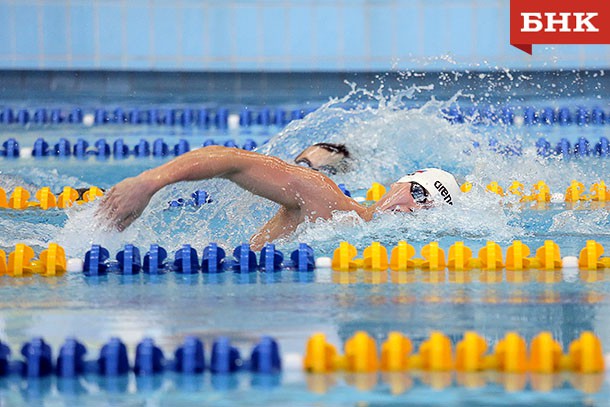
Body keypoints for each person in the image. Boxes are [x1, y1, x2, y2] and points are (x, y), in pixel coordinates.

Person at [98, 145, 461, 250]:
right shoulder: (329, 203)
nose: (414, 206)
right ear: (400, 183)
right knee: (305, 168)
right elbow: (233, 161)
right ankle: (321, 156)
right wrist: (148, 182)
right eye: (417, 191)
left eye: (428, 206)